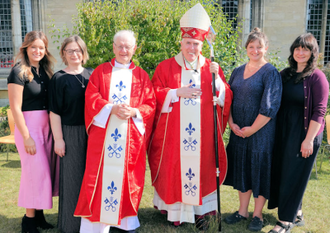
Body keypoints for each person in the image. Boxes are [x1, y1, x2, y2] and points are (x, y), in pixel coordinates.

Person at [148, 3, 233, 230]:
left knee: (203, 168)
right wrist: (176, 92)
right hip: (175, 135)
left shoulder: (211, 68)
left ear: (202, 44)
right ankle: (177, 212)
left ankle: (201, 213)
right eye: (188, 43)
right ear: (181, 42)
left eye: (196, 44)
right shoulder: (166, 67)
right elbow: (153, 95)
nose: (191, 48)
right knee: (176, 167)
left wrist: (219, 85)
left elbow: (225, 94)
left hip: (203, 133)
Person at [74, 30, 156, 233]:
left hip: (130, 140)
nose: (123, 50)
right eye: (119, 46)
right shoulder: (101, 72)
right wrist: (112, 108)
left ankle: (125, 222)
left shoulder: (142, 76)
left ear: (134, 49)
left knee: (128, 178)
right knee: (100, 178)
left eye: (127, 46)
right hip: (103, 140)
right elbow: (91, 98)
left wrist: (135, 111)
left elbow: (150, 104)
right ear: (113, 47)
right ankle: (96, 226)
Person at [267, 33, 329, 233]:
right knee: (284, 172)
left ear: (312, 53)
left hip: (305, 134)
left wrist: (309, 140)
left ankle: (285, 221)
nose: (300, 52)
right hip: (284, 132)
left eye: (305, 49)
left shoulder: (317, 77)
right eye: (297, 48)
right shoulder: (285, 74)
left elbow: (319, 111)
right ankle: (298, 211)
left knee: (292, 175)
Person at [223, 28, 282, 232]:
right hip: (239, 131)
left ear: (266, 48)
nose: (255, 50)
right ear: (246, 48)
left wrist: (252, 129)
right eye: (251, 47)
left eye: (259, 47)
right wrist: (231, 124)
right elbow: (227, 99)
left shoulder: (270, 72)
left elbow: (270, 107)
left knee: (259, 170)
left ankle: (257, 215)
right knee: (242, 169)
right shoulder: (238, 71)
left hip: (261, 133)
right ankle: (242, 211)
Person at [7, 31, 57, 233]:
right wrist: (26, 136)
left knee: (44, 173)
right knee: (34, 173)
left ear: (45, 51)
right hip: (28, 128)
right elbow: (15, 108)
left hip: (46, 128)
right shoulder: (18, 72)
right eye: (34, 47)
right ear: (26, 48)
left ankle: (38, 215)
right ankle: (28, 221)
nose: (38, 51)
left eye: (41, 47)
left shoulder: (45, 72)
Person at [49, 35, 92, 233]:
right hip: (71, 133)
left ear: (84, 53)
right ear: (64, 55)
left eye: (78, 50)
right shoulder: (59, 78)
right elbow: (54, 112)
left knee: (92, 179)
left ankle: (93, 224)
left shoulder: (93, 75)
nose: (75, 54)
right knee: (73, 179)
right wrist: (59, 139)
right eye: (70, 51)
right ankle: (72, 225)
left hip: (93, 133)